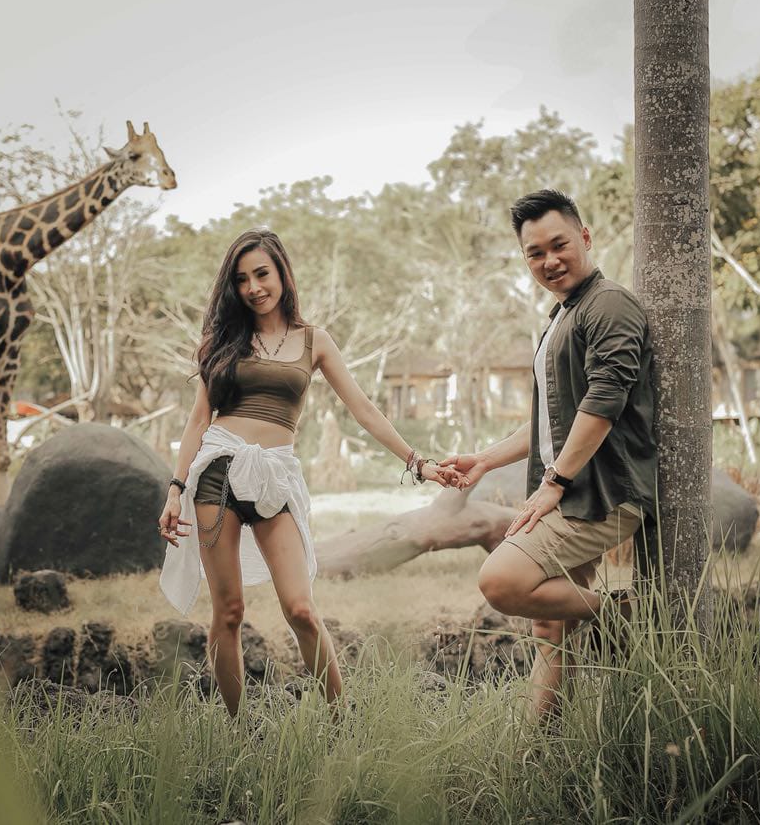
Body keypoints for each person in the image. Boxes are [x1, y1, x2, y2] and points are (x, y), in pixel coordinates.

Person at [159, 227, 462, 716]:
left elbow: (363, 408)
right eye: (242, 280)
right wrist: (176, 489)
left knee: (301, 608)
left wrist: (418, 462)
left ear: (282, 273)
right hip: (217, 475)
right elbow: (198, 420)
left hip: (275, 479)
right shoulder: (222, 341)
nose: (254, 287)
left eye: (262, 274)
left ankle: (343, 723)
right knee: (229, 612)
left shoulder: (314, 341)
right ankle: (237, 730)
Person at [442, 189, 656, 719]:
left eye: (559, 245)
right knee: (550, 627)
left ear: (585, 236)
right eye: (535, 253)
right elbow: (552, 421)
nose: (549, 260)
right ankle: (544, 747)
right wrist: (486, 459)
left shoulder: (608, 305)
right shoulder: (564, 315)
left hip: (603, 493)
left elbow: (603, 404)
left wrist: (554, 483)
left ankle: (628, 614)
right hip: (575, 491)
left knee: (502, 580)